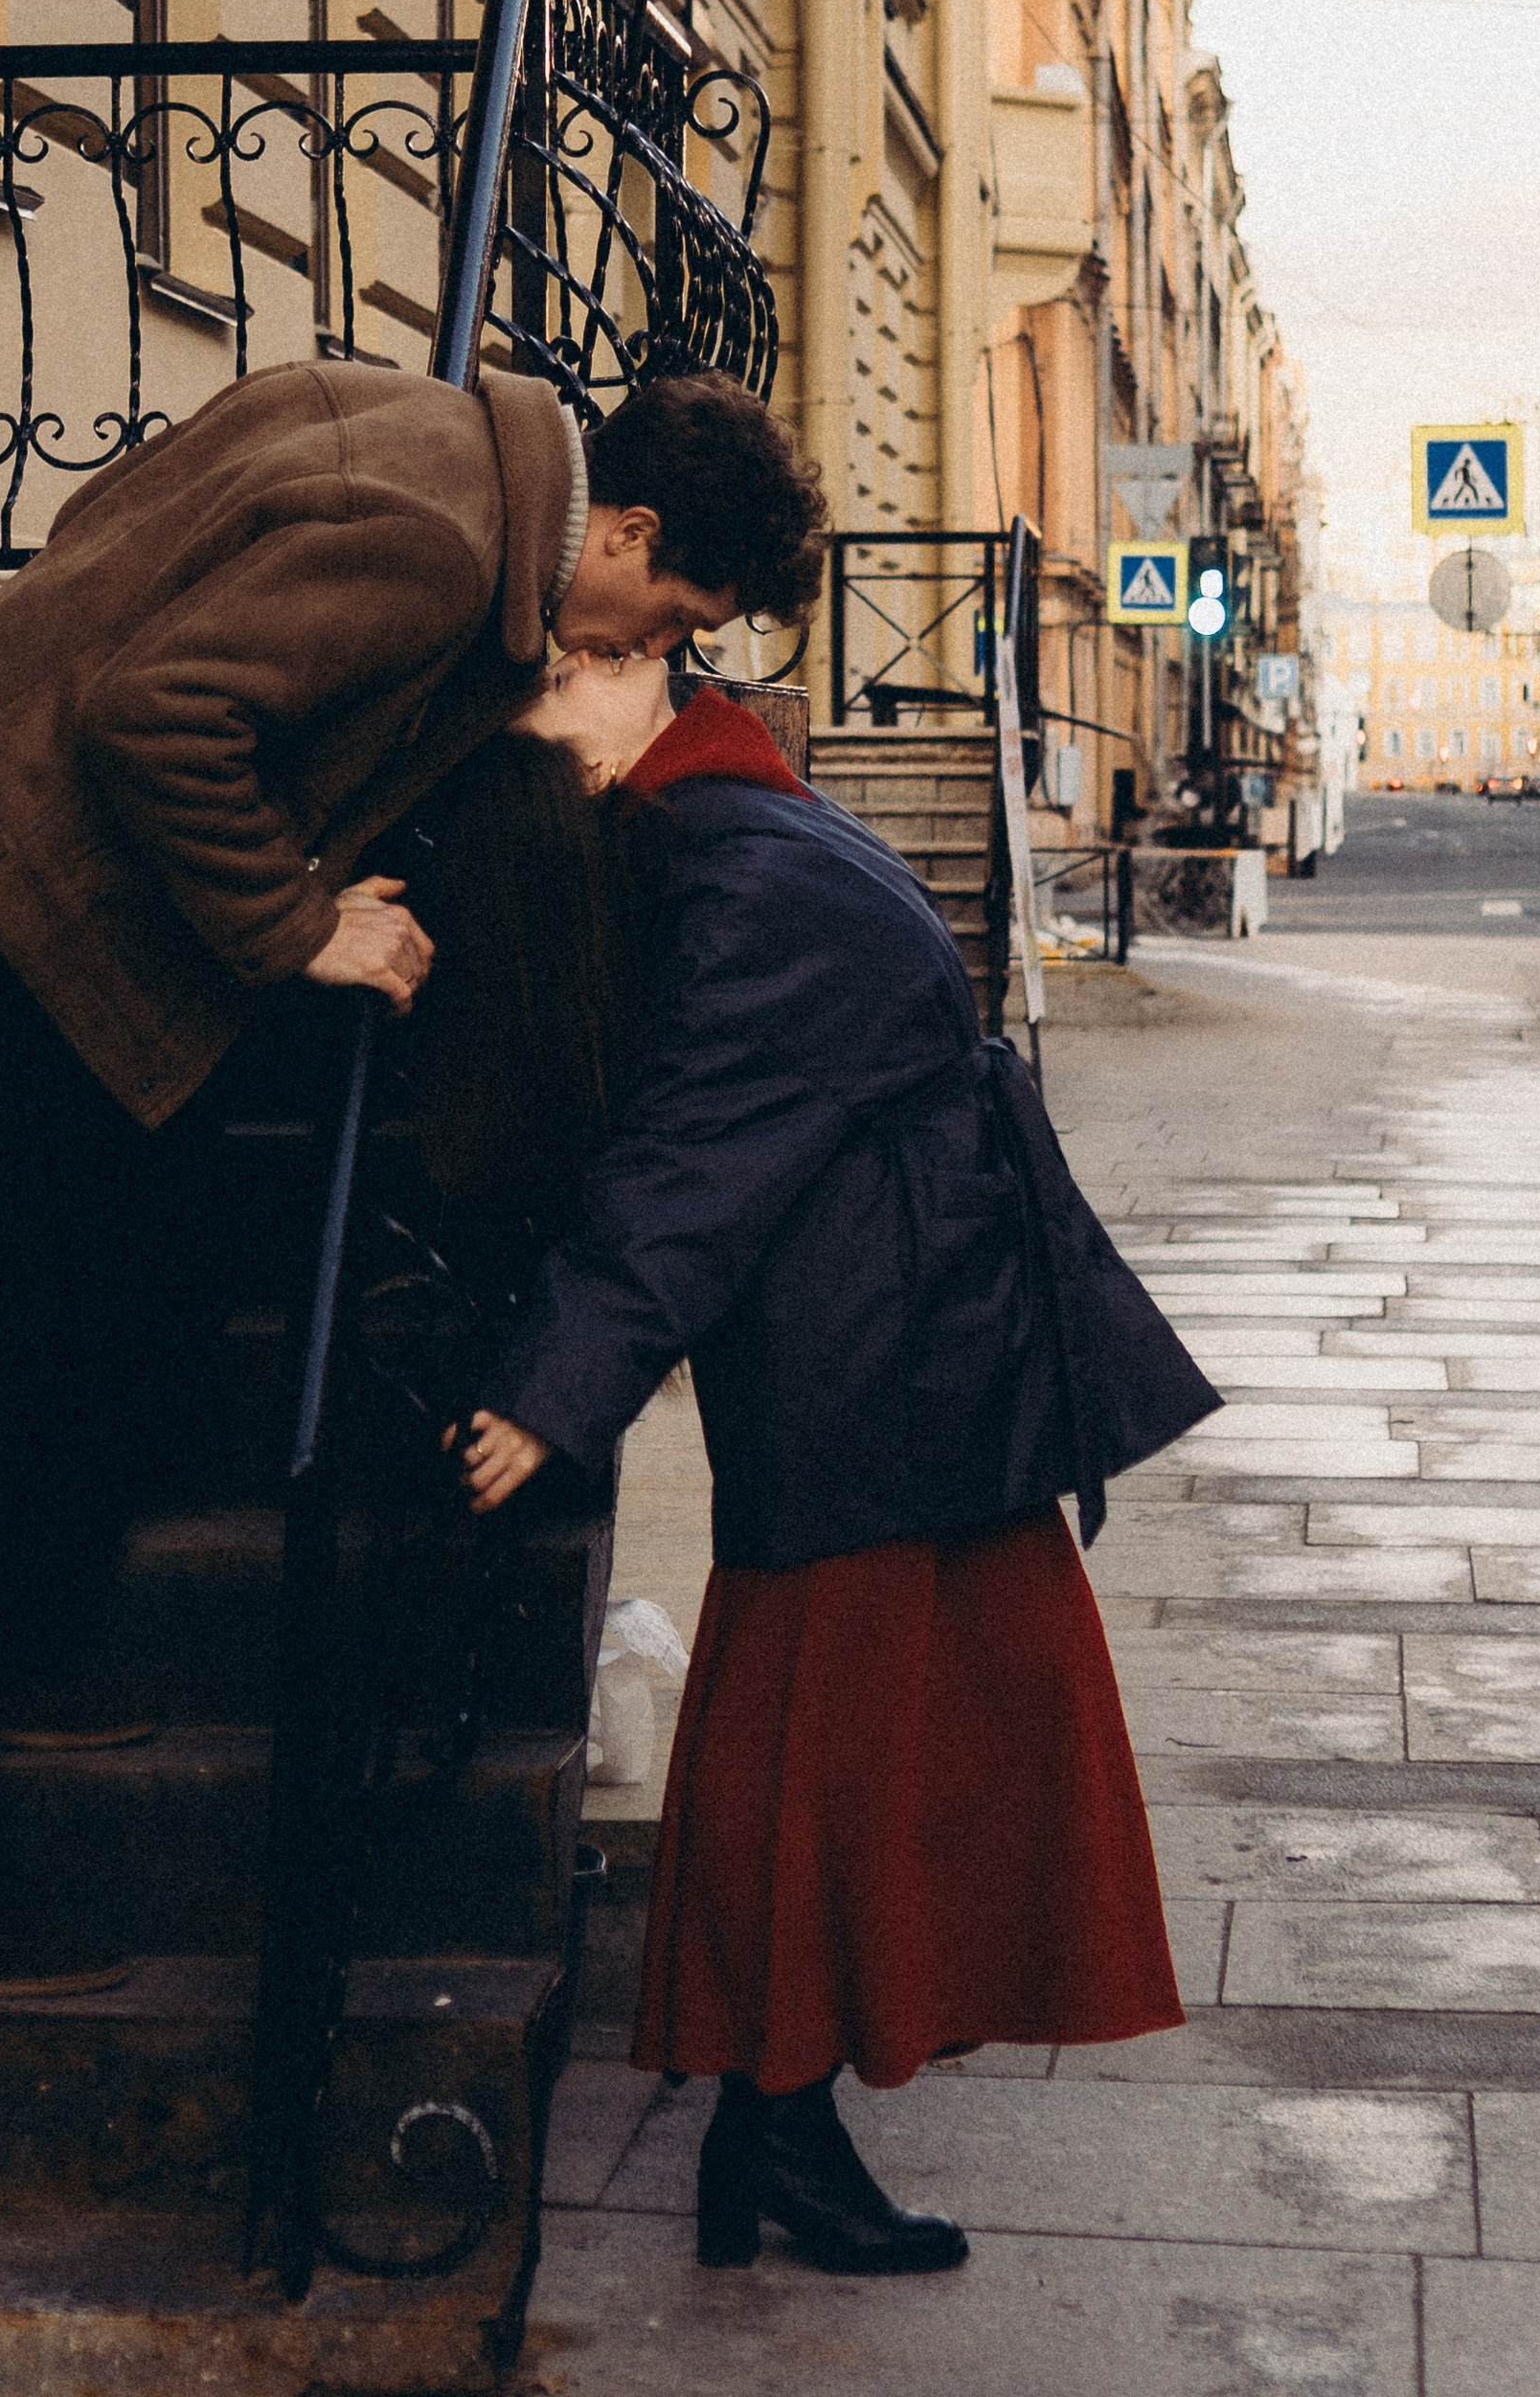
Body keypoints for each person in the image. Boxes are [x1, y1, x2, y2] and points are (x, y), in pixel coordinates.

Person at [0, 360, 825, 1998]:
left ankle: (13, 1645)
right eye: (669, 618)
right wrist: (296, 923)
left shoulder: (417, 426)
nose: (648, 653)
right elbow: (155, 714)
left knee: (139, 1254)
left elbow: (117, 530)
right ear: (627, 529)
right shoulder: (438, 550)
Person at [440, 659, 1199, 2279]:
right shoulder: (727, 823)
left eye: (561, 676)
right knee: (840, 1744)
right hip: (892, 1336)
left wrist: (559, 1385)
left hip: (891, 1347)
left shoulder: (735, 865)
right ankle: (774, 2125)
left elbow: (693, 1156)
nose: (540, 709)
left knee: (855, 1743)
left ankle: (773, 2122)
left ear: (640, 684)